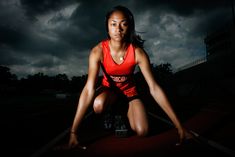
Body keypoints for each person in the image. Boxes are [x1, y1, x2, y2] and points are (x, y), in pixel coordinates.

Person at [69, 5, 189, 148]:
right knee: (98, 105)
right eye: (113, 24)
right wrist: (73, 132)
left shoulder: (138, 53)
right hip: (110, 92)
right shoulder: (98, 51)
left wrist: (179, 126)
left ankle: (125, 111)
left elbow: (154, 87)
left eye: (123, 24)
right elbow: (89, 89)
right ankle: (111, 112)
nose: (118, 29)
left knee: (143, 131)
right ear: (107, 27)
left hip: (130, 94)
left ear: (129, 27)